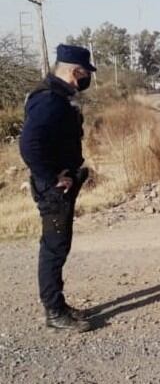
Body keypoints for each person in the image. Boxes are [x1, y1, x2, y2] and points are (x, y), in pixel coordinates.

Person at [19, 44, 96, 332]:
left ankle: (58, 305)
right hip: (53, 190)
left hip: (59, 184)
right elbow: (29, 144)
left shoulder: (56, 96)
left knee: (58, 246)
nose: (86, 80)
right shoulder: (49, 99)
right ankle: (54, 312)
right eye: (85, 74)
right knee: (54, 248)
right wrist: (51, 177)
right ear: (75, 71)